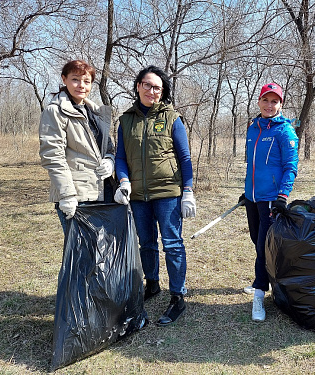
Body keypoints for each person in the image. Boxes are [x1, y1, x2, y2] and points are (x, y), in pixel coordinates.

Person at [114, 65, 196, 327]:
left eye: (157, 88)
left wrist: (188, 191)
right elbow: (120, 157)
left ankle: (178, 297)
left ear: (163, 92)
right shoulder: (126, 120)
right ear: (138, 86)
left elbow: (184, 157)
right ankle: (152, 284)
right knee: (146, 243)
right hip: (138, 195)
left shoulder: (172, 118)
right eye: (147, 85)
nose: (152, 91)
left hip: (168, 194)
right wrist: (124, 180)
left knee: (172, 243)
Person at [239, 82, 299, 322]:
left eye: (275, 101)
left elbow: (290, 167)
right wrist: (247, 192)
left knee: (264, 247)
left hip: (271, 201)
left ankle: (259, 293)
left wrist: (282, 196)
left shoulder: (285, 131)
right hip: (253, 199)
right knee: (257, 242)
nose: (269, 105)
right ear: (259, 102)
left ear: (281, 105)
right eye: (266, 100)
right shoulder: (253, 128)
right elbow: (252, 166)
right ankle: (268, 281)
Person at [39, 60, 115, 233]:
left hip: (102, 192)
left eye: (86, 81)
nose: (81, 85)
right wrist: (67, 195)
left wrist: (110, 160)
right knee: (81, 256)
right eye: (75, 79)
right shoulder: (56, 111)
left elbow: (108, 146)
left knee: (101, 255)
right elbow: (52, 156)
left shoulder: (95, 112)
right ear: (64, 79)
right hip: (77, 196)